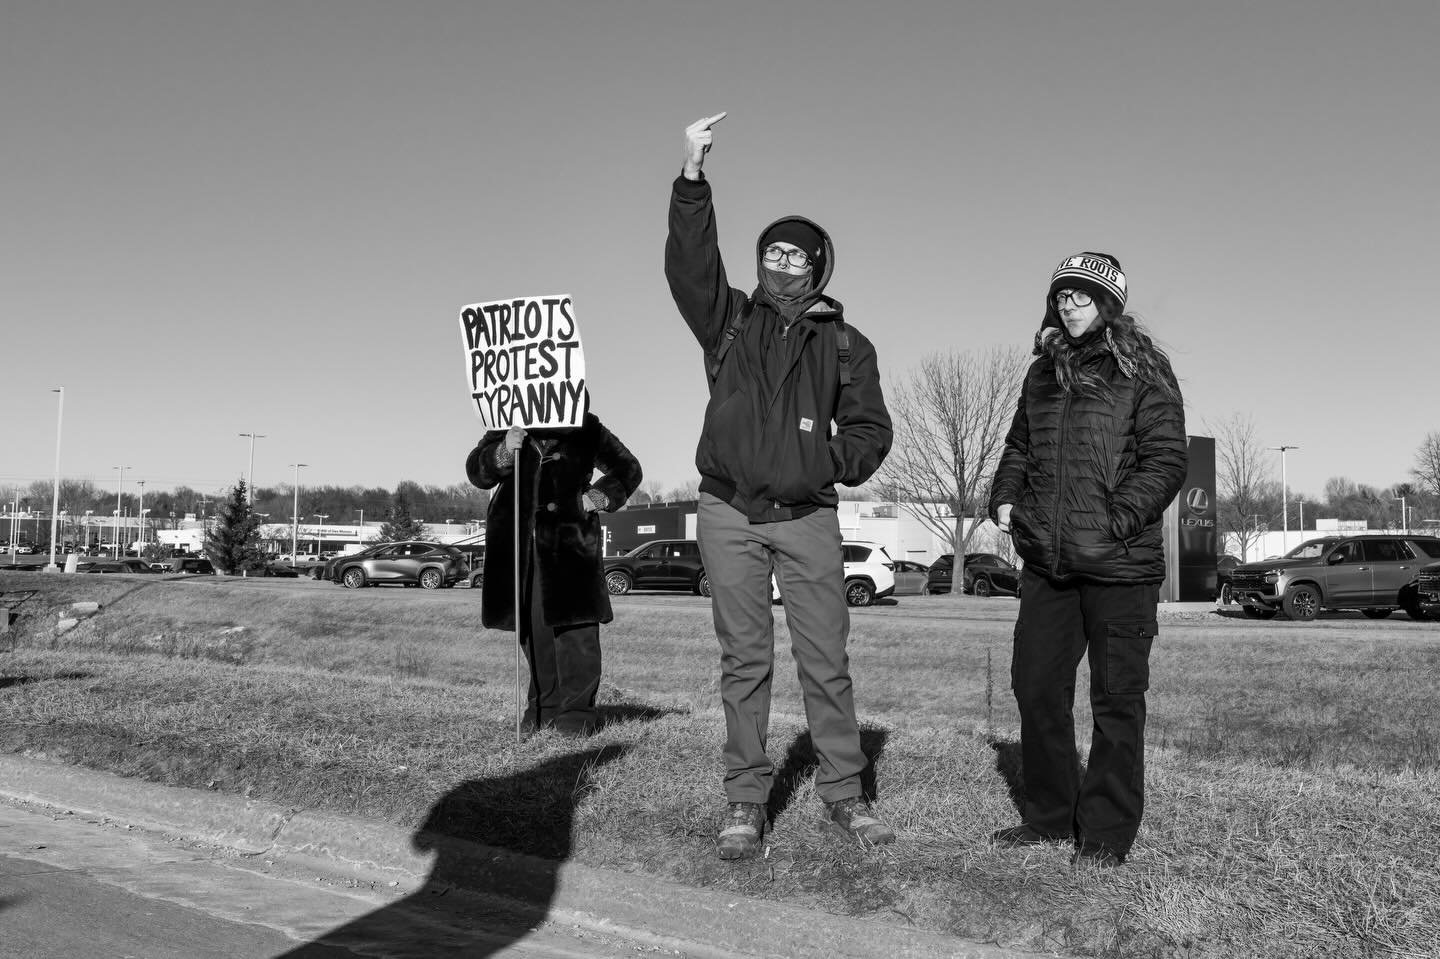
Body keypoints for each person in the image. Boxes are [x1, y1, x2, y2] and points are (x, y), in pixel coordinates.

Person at [665, 112, 896, 860]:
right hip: (728, 508)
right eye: (773, 249)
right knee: (745, 661)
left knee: (825, 659)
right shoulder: (729, 320)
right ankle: (745, 799)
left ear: (817, 264)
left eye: (796, 252)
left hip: (806, 517)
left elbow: (871, 431)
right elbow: (691, 267)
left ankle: (844, 794)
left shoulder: (847, 341)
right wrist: (693, 179)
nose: (781, 259)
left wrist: (820, 461)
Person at [988, 252, 1188, 868]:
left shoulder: (1144, 369)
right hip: (1048, 564)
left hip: (1120, 567)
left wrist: (1115, 520)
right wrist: (1004, 499)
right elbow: (1020, 444)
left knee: (1116, 699)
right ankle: (1050, 814)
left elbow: (1166, 461)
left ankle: (1105, 832)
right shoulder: (1041, 374)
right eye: (1063, 296)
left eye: (1083, 295)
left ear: (1109, 303)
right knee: (1036, 687)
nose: (1070, 305)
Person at [465, 411, 642, 737]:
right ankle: (542, 709)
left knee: (577, 634)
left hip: (570, 543)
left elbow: (628, 468)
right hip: (520, 548)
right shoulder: (509, 419)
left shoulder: (586, 426)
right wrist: (502, 450)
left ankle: (576, 716)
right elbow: (477, 471)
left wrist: (597, 497)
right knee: (534, 632)